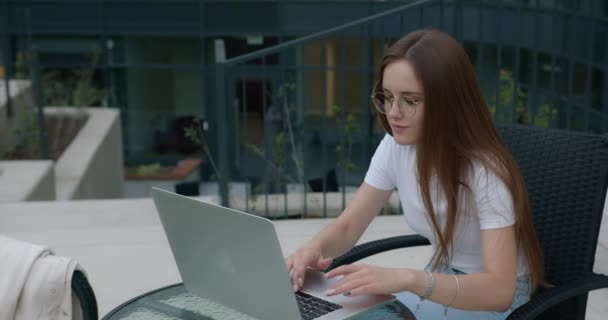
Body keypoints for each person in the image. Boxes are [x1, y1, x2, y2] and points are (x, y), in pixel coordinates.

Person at [285, 29, 547, 319]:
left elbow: (499, 291)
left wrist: (408, 279)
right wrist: (314, 247)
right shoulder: (396, 147)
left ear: (448, 102)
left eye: (410, 101)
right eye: (387, 97)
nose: (393, 113)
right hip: (441, 279)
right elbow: (348, 227)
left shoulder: (483, 173)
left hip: (492, 299)